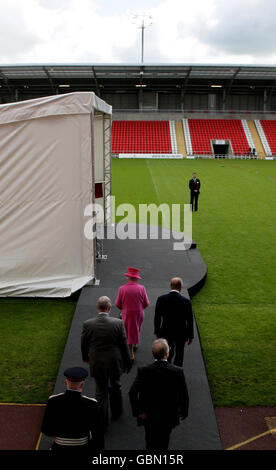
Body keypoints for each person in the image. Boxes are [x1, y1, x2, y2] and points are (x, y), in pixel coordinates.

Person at [81, 296, 132, 430]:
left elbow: (84, 344)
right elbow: (124, 345)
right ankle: (117, 413)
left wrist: (86, 358)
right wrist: (128, 363)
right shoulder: (118, 323)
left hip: (97, 362)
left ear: (98, 307)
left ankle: (102, 421)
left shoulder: (88, 324)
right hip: (114, 362)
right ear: (109, 308)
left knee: (100, 391)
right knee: (116, 386)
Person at [129, 339, 189, 450]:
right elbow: (183, 394)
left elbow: (132, 392)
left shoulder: (144, 371)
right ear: (167, 353)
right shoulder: (177, 371)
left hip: (149, 415)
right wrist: (183, 412)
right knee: (164, 442)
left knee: (149, 441)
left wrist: (139, 411)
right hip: (168, 416)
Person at [41, 367, 104, 453]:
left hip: (59, 447)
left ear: (65, 383)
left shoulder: (53, 401)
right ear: (82, 385)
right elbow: (98, 433)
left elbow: (46, 430)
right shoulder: (91, 404)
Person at [154, 277, 194, 367]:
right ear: (180, 287)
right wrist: (190, 335)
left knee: (166, 353)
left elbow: (157, 317)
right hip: (181, 332)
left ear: (171, 286)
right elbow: (190, 320)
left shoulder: (161, 299)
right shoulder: (186, 301)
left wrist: (157, 331)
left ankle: (167, 370)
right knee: (179, 354)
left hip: (166, 331)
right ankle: (177, 372)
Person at [115, 267, 149, 361]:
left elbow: (117, 304)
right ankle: (134, 344)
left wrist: (124, 309)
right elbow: (146, 303)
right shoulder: (142, 288)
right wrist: (140, 309)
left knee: (128, 332)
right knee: (136, 328)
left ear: (128, 277)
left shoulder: (122, 289)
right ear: (137, 278)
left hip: (127, 314)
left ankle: (131, 353)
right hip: (139, 313)